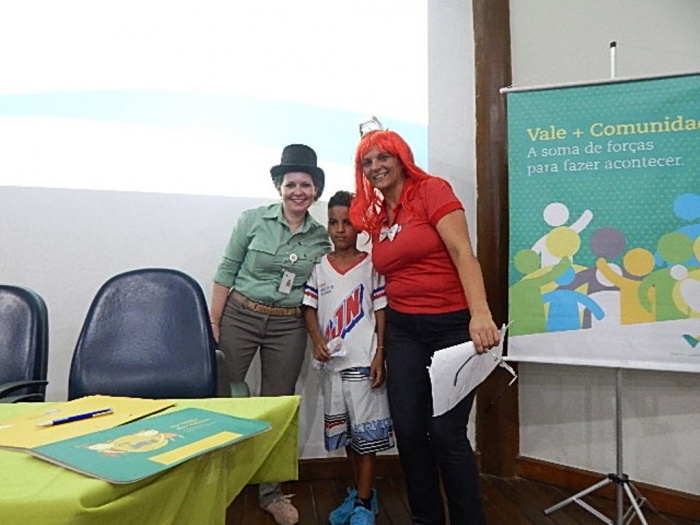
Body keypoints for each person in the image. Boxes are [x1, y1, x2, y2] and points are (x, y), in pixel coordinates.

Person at [349, 128, 501, 525]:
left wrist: (480, 313)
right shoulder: (379, 216)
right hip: (404, 332)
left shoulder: (432, 190)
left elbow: (462, 252)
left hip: (452, 328)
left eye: (383, 157)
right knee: (409, 432)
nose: (376, 167)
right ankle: (426, 519)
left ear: (402, 158)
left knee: (446, 433)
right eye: (367, 162)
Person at [210, 144, 331, 525]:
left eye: (306, 185)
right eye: (291, 184)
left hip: (288, 326)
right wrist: (214, 323)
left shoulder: (321, 238)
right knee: (224, 398)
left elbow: (321, 290)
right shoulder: (252, 220)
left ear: (315, 190)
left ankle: (272, 493)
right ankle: (213, 486)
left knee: (278, 406)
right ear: (280, 186)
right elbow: (226, 271)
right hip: (240, 316)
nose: (298, 191)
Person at [302, 190, 395, 525]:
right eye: (334, 222)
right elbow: (309, 308)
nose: (340, 229)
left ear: (359, 226)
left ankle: (365, 504)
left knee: (366, 439)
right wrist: (317, 340)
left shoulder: (372, 266)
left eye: (348, 223)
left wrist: (380, 354)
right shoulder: (319, 268)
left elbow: (381, 311)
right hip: (333, 368)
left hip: (364, 365)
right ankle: (358, 493)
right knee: (347, 437)